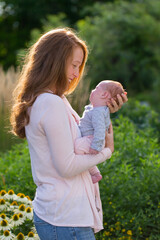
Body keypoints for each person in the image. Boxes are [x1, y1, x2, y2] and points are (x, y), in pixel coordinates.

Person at [10, 28, 128, 240]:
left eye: (79, 66)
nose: (76, 73)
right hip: (65, 219)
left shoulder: (52, 99)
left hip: (63, 216)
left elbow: (80, 131)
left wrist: (102, 111)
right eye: (74, 65)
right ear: (55, 61)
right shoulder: (50, 103)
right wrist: (107, 151)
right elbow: (67, 166)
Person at [75, 80, 126, 184]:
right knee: (82, 152)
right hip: (91, 139)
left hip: (93, 140)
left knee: (77, 147)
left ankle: (89, 171)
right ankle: (95, 174)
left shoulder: (98, 112)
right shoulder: (98, 109)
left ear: (104, 94)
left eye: (96, 89)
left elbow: (100, 130)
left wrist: (96, 146)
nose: (92, 91)